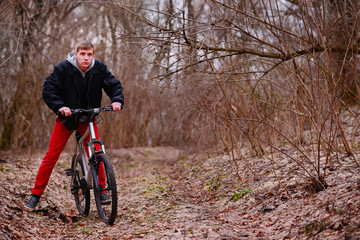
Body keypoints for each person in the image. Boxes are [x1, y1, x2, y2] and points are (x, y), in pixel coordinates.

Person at [24, 42, 124, 209]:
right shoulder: (64, 68)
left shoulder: (99, 68)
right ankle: (35, 195)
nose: (86, 57)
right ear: (76, 54)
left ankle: (102, 191)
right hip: (67, 119)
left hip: (89, 118)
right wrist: (60, 107)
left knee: (97, 151)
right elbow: (48, 89)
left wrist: (117, 100)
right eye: (83, 54)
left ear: (93, 55)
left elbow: (114, 85)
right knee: (51, 157)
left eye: (89, 54)